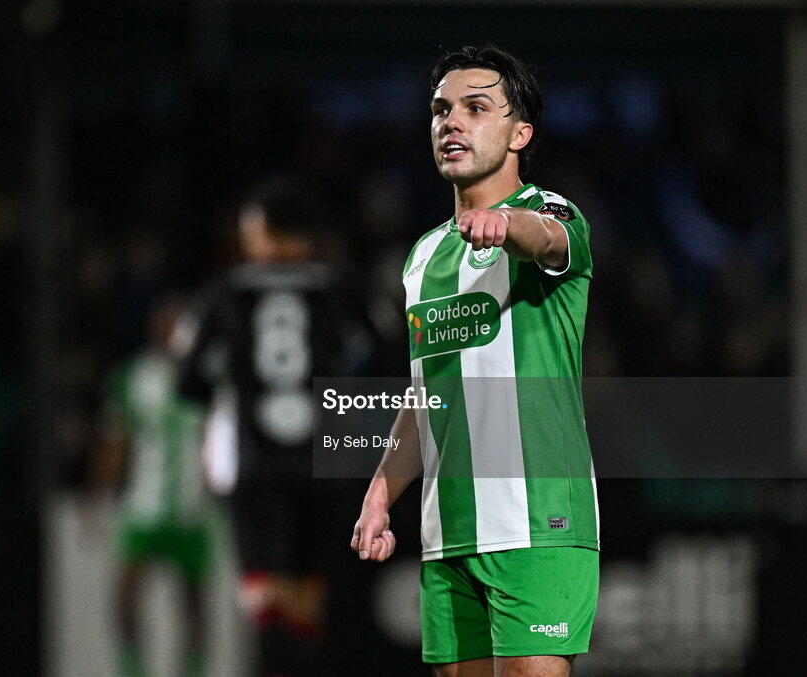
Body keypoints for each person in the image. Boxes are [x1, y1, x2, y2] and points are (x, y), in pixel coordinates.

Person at [350, 45, 599, 677]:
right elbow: (426, 393)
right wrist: (381, 492)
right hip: (448, 532)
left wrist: (507, 225)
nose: (450, 122)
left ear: (521, 133)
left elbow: (547, 239)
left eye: (475, 108)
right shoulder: (422, 258)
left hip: (538, 520)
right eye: (440, 110)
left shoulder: (553, 213)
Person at [180, 174, 375, 677]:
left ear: (263, 231)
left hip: (258, 466)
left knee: (266, 596)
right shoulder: (340, 283)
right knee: (311, 595)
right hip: (324, 464)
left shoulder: (225, 289)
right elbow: (386, 353)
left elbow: (187, 378)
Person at [92, 295, 218, 677]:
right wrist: (98, 492)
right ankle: (134, 670)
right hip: (143, 506)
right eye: (165, 323)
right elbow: (116, 441)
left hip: (192, 508)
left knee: (193, 603)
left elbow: (222, 438)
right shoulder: (133, 376)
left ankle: (192, 672)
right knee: (125, 597)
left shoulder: (209, 374)